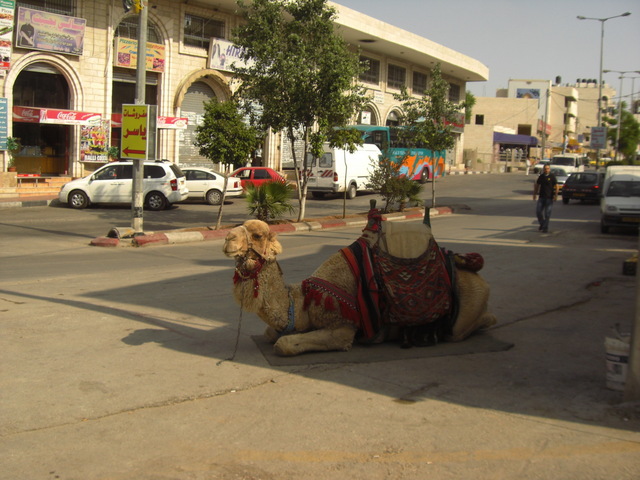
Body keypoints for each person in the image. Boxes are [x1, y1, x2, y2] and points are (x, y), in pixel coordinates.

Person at [533, 164, 558, 233]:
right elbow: (537, 185)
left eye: (547, 168)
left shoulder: (552, 176)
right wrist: (534, 194)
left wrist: (556, 195)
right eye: (545, 169)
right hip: (541, 197)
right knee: (538, 212)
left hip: (549, 198)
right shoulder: (541, 176)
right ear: (543, 169)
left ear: (549, 169)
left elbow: (556, 186)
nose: (546, 170)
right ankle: (542, 224)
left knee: (547, 214)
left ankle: (545, 227)